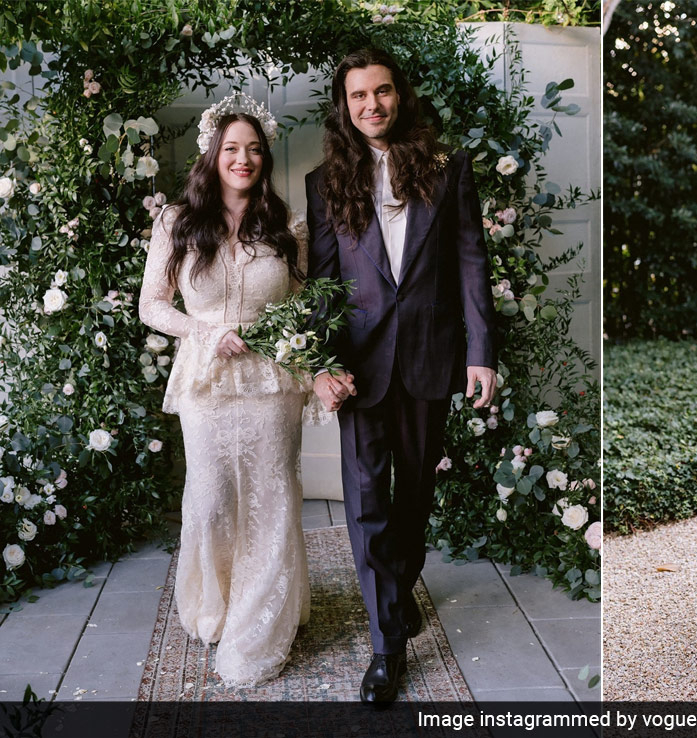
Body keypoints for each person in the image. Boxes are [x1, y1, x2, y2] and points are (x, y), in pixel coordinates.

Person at [305, 48, 497, 705]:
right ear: (344, 106)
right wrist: (323, 366)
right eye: (358, 96)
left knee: (414, 496)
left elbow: (472, 259)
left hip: (427, 354)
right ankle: (387, 647)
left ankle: (399, 583)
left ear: (400, 95)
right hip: (359, 366)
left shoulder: (448, 169)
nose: (371, 106)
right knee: (365, 501)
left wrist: (482, 352)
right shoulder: (324, 180)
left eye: (381, 92)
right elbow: (325, 287)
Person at [139, 95, 324, 686]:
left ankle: (261, 624)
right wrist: (205, 330)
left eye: (253, 150)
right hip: (206, 380)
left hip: (273, 383)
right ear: (212, 155)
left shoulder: (286, 225)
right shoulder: (176, 222)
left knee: (273, 499)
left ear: (264, 157)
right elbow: (153, 305)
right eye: (231, 149)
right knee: (212, 497)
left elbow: (304, 309)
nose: (242, 159)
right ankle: (215, 602)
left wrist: (319, 366)